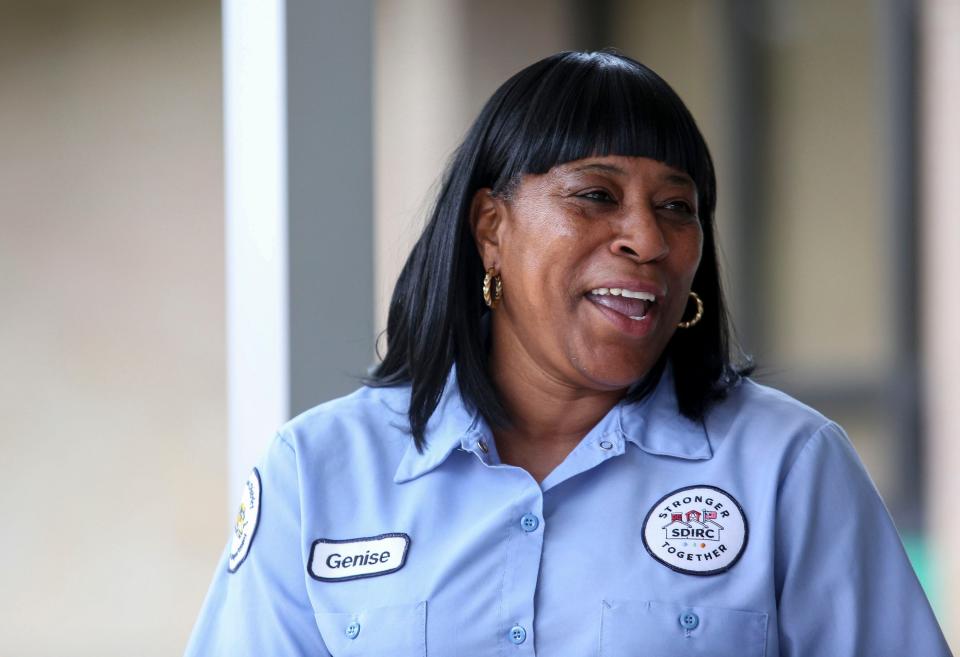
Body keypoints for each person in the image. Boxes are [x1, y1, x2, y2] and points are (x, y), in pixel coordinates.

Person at [184, 50, 951, 656]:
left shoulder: (790, 465)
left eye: (676, 208)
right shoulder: (316, 473)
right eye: (596, 195)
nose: (647, 239)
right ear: (491, 228)